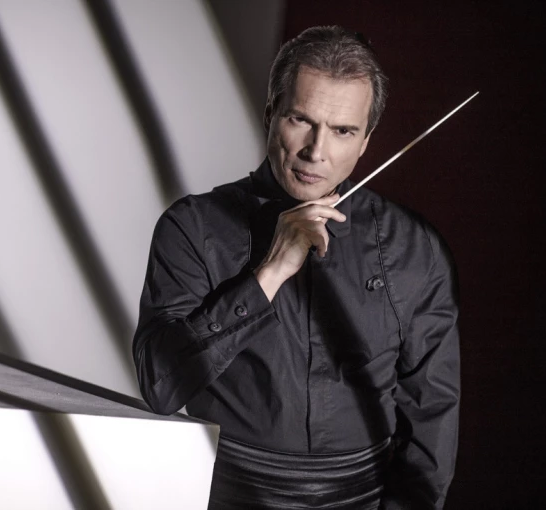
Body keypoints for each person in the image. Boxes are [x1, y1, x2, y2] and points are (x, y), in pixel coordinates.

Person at [133, 26, 460, 509]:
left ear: (366, 140)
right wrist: (268, 274)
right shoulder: (191, 227)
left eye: (343, 131)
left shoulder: (415, 247)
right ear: (271, 114)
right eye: (300, 119)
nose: (316, 151)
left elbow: (432, 413)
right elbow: (161, 388)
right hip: (225, 496)